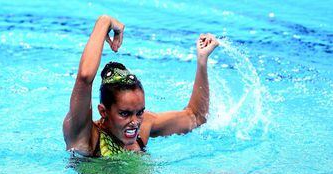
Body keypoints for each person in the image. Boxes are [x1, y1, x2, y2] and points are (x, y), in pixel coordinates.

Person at [63, 15, 219, 157]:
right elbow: (84, 78)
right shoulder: (86, 137)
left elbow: (196, 117)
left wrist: (202, 61)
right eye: (125, 113)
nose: (135, 122)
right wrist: (105, 22)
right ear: (103, 111)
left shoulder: (144, 125)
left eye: (140, 112)